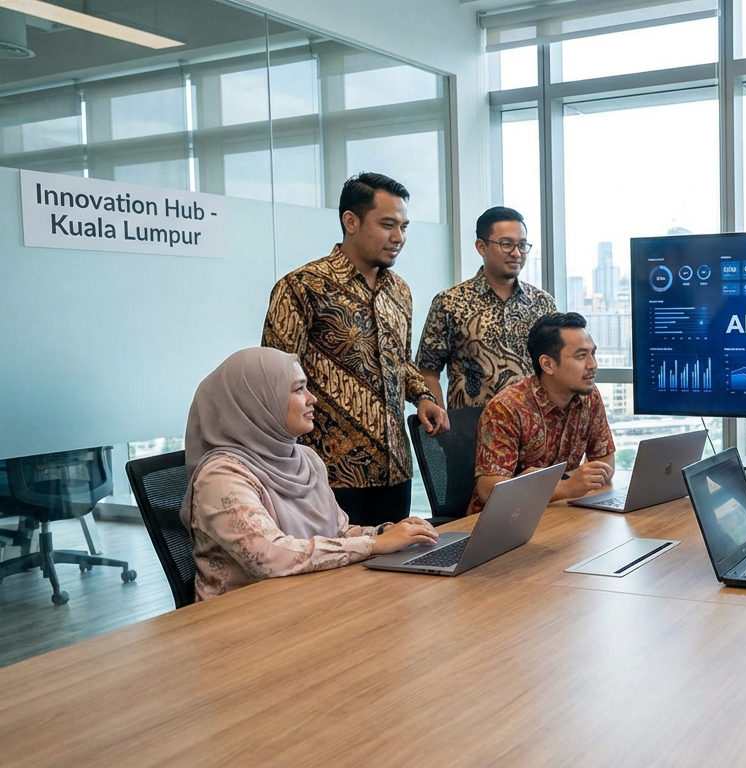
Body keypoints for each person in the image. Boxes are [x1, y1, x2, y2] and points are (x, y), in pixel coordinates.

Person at [262, 172, 449, 527]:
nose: (399, 238)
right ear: (351, 221)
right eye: (388, 225)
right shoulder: (302, 287)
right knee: (336, 579)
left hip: (394, 469)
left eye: (404, 227)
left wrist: (423, 396)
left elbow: (401, 362)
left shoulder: (400, 291)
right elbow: (275, 379)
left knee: (394, 572)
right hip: (328, 472)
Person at [181, 348, 439, 601]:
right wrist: (374, 545)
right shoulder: (221, 477)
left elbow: (336, 533)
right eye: (297, 389)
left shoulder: (305, 459)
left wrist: (386, 533)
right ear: (257, 400)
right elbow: (271, 558)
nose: (312, 398)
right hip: (243, 620)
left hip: (310, 598)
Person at [473, 312, 615, 514]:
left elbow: (605, 458)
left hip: (559, 513)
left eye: (593, 353)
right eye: (581, 356)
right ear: (548, 364)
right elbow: (489, 491)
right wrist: (567, 487)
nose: (593, 364)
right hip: (504, 521)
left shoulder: (589, 397)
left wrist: (563, 483)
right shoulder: (507, 408)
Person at [416, 206, 557, 409]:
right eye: (507, 244)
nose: (516, 253)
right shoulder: (449, 302)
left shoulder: (543, 303)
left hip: (533, 428)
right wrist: (441, 422)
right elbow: (427, 370)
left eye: (522, 245)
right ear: (481, 247)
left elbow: (554, 366)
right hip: (472, 431)